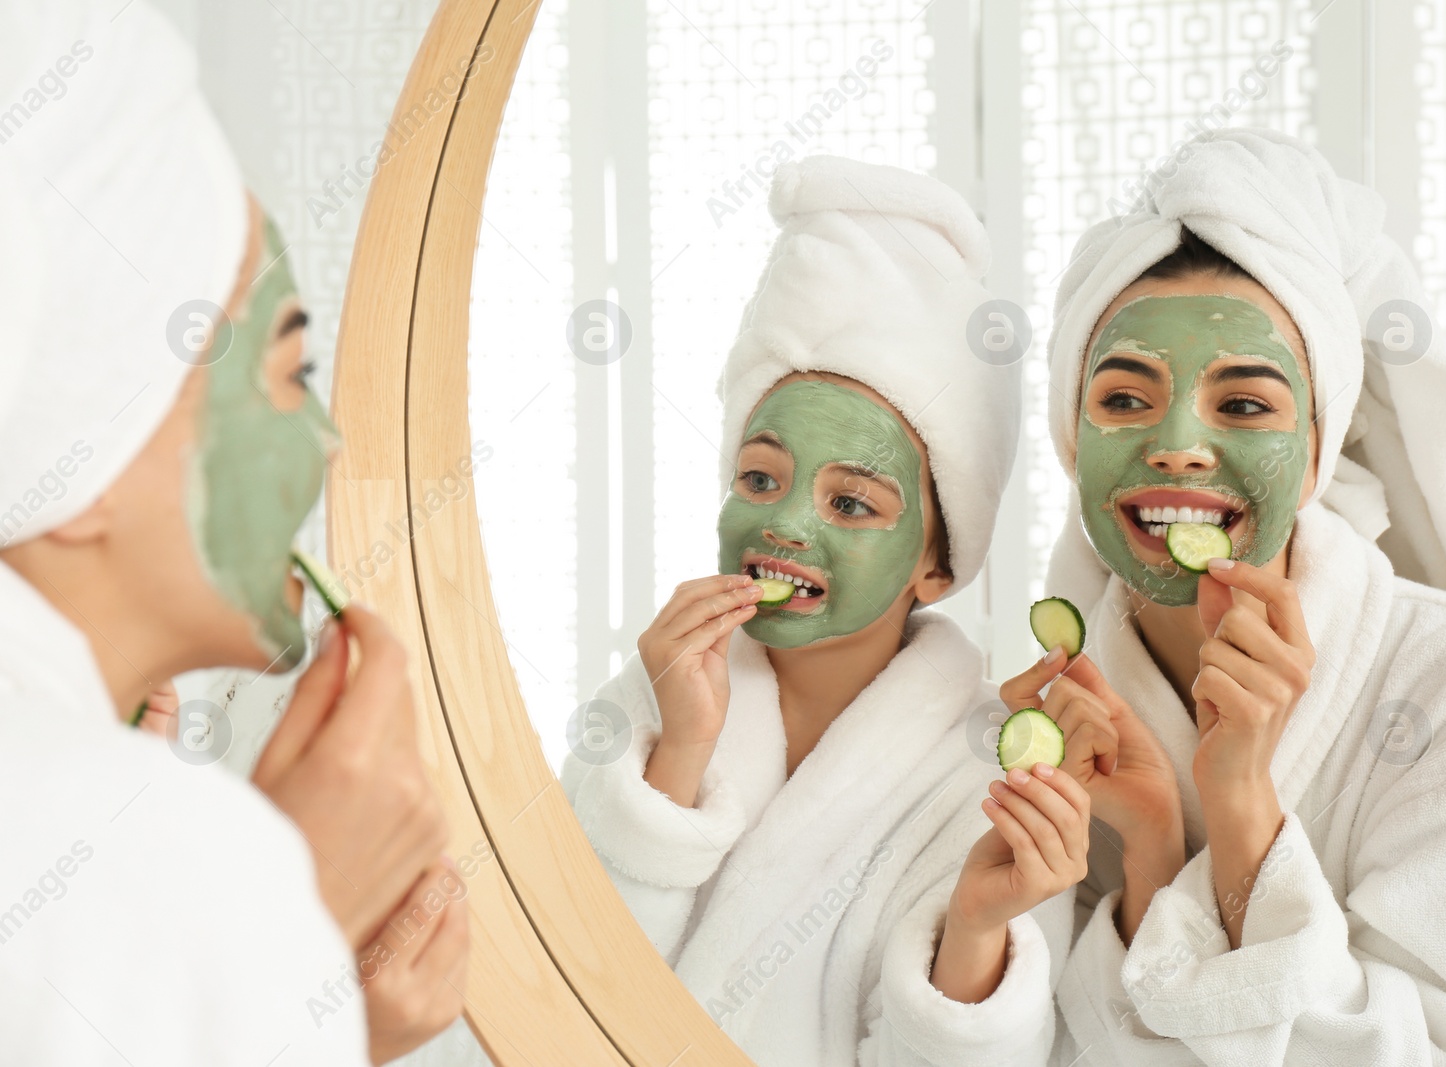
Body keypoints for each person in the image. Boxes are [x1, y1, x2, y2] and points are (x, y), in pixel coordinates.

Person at [1017, 127, 1446, 1063]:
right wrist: (1154, 854)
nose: (1179, 446)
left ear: (1319, 450)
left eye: (1244, 404)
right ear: (1069, 438)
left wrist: (1243, 806)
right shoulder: (1063, 722)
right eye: (1124, 399)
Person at [0, 2, 465, 1062]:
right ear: (89, 444)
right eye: (292, 371)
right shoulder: (135, 850)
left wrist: (332, 1007)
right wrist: (282, 919)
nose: (329, 440)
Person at [561, 155, 1084, 1066]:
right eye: (759, 477)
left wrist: (974, 929)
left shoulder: (988, 772)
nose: (785, 524)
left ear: (936, 564)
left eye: (851, 502)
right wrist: (677, 756)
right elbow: (565, 979)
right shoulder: (648, 703)